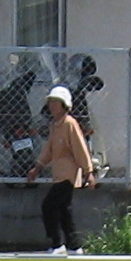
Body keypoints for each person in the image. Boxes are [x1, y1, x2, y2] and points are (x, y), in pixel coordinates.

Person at [35, 85, 94, 252]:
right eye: (50, 102)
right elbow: (49, 148)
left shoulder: (70, 124)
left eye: (56, 102)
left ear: (64, 105)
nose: (52, 106)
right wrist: (38, 166)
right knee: (63, 209)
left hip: (68, 175)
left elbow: (80, 148)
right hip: (59, 174)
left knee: (49, 205)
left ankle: (56, 243)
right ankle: (74, 245)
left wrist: (88, 172)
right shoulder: (55, 125)